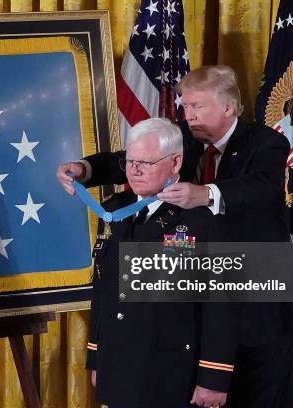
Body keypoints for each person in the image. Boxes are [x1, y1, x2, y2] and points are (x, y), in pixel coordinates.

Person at [58, 66, 293, 407]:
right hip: (202, 316)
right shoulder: (184, 139)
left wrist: (206, 194)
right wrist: (85, 169)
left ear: (228, 107)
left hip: (257, 310)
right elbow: (128, 160)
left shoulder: (266, 143)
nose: (187, 115)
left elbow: (261, 187)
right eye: (185, 107)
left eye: (197, 106)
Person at [84, 118, 236, 408]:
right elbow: (103, 291)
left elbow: (221, 306)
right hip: (117, 365)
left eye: (146, 162)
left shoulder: (202, 218)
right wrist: (97, 356)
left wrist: (214, 376)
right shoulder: (114, 210)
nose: (135, 170)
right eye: (130, 161)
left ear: (175, 162)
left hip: (173, 371)